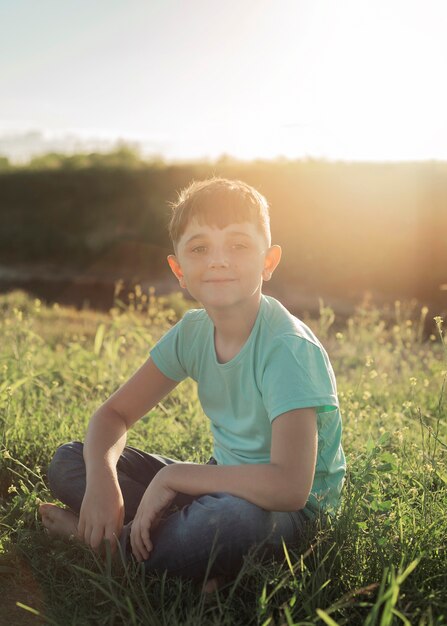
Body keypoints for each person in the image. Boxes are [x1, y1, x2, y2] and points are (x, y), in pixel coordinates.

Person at [39, 177, 346, 592]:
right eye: (200, 248)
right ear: (179, 270)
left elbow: (291, 487)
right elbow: (114, 414)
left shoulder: (286, 348)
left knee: (232, 521)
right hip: (219, 480)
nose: (218, 261)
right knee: (72, 460)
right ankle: (178, 554)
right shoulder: (193, 332)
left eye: (238, 245)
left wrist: (174, 479)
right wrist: (102, 483)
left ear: (268, 262)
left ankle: (107, 546)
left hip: (288, 515)